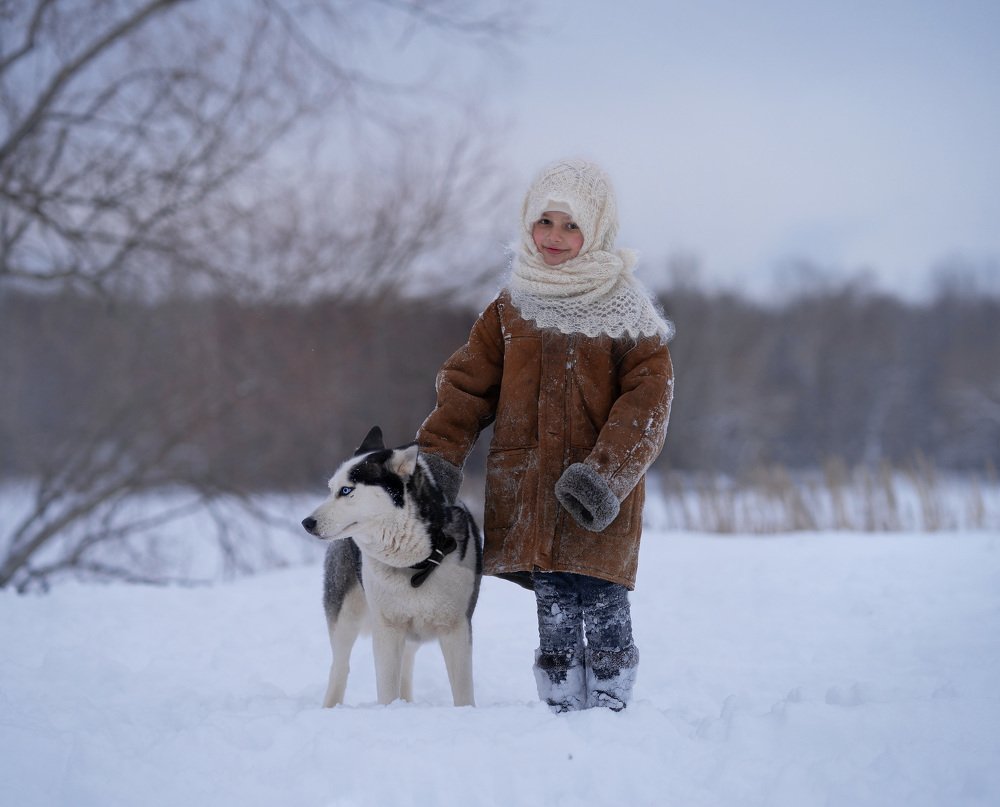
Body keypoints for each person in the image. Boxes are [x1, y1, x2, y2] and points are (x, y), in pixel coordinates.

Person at [417, 158, 674, 712]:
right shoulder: (511, 308)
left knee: (602, 598)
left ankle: (609, 706)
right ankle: (559, 705)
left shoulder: (628, 311)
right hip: (529, 489)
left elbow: (647, 404)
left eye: (572, 225)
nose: (555, 237)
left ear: (598, 229)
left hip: (598, 495)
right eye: (546, 221)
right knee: (554, 602)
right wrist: (437, 458)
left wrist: (605, 475)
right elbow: (466, 387)